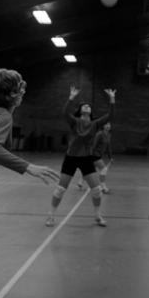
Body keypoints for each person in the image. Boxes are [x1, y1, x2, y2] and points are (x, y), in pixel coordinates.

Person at [45, 85, 116, 228]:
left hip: (86, 159)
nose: (87, 107)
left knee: (96, 190)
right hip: (71, 158)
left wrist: (112, 99)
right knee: (60, 189)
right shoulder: (75, 122)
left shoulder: (95, 124)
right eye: (84, 106)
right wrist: (71, 98)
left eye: (89, 106)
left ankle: (97, 216)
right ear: (80, 110)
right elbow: (64, 112)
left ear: (90, 111)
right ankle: (51, 216)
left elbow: (110, 116)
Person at [0, 68, 60, 184]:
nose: (23, 91)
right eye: (20, 88)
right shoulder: (3, 116)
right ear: (10, 94)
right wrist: (27, 166)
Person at [77, 122, 113, 193]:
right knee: (104, 169)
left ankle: (80, 181)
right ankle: (103, 188)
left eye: (109, 124)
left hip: (99, 155)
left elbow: (108, 147)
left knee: (90, 170)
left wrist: (110, 157)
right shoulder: (99, 134)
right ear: (103, 126)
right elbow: (93, 145)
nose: (108, 126)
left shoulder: (108, 135)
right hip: (94, 155)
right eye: (106, 124)